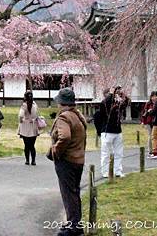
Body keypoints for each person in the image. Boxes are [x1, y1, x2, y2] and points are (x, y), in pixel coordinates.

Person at [50, 88, 87, 236]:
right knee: (74, 192)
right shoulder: (77, 115)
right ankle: (74, 222)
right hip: (78, 159)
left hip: (67, 160)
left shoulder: (64, 117)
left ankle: (74, 227)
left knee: (68, 193)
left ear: (61, 102)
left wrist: (55, 151)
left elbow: (64, 137)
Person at [99, 86, 129, 178]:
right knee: (105, 153)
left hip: (117, 131)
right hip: (107, 131)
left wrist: (124, 96)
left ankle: (118, 171)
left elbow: (126, 103)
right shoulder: (104, 103)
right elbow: (107, 103)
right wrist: (113, 94)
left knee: (119, 152)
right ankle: (105, 172)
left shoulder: (118, 103)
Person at [18, 91, 39, 165]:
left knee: (26, 145)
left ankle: (27, 160)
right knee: (32, 145)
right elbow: (37, 114)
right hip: (33, 126)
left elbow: (20, 115)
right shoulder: (35, 104)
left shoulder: (24, 105)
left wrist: (22, 121)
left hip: (25, 127)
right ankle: (33, 161)